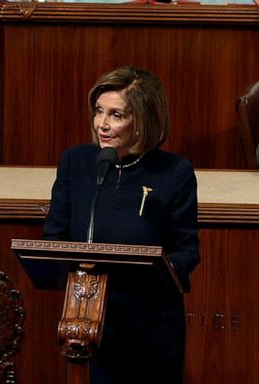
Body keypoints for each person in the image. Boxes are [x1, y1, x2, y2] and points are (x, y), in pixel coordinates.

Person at [43, 66, 200, 384]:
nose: (102, 124)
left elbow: (188, 251)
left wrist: (159, 268)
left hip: (152, 324)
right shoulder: (76, 162)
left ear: (143, 120)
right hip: (89, 319)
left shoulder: (174, 172)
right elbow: (54, 236)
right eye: (99, 111)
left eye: (116, 115)